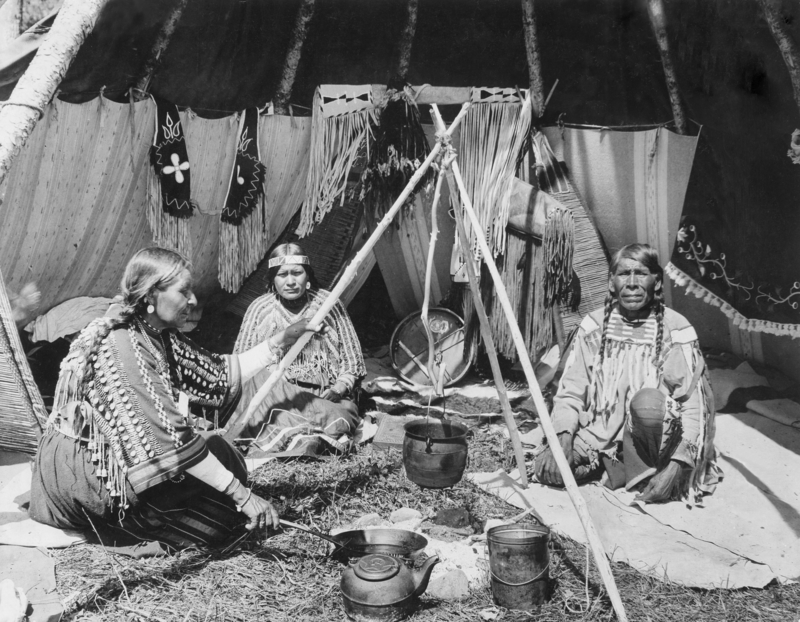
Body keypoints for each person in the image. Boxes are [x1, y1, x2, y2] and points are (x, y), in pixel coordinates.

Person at [30, 247, 318, 550]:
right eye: (183, 291)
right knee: (214, 519)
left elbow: (217, 374)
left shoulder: (155, 333)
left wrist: (281, 340)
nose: (192, 300)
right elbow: (168, 440)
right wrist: (242, 495)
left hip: (118, 457)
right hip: (83, 475)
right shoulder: (122, 347)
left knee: (220, 454)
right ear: (152, 296)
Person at [535, 243, 720, 504]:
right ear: (612, 283)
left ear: (656, 282)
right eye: (623, 274)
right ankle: (610, 462)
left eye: (641, 273)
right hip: (599, 435)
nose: (631, 283)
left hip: (655, 437)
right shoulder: (594, 326)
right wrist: (562, 439)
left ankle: (647, 467)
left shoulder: (676, 329)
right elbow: (571, 392)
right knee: (547, 470)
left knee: (646, 403)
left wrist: (678, 465)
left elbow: (693, 406)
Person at [233, 242, 366, 457]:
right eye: (282, 274)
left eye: (297, 273)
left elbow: (353, 362)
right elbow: (242, 364)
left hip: (322, 397)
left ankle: (302, 437)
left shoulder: (328, 304)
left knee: (337, 415)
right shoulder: (260, 308)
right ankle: (308, 438)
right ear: (272, 280)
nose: (291, 281)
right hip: (276, 396)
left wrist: (339, 388)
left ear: (308, 275)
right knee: (264, 411)